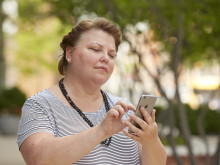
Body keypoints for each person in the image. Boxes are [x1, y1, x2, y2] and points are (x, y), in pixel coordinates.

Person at [17, 17, 167, 165]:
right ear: (69, 53)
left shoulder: (125, 109)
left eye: (111, 55)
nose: (105, 58)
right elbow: (38, 159)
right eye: (96, 49)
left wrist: (151, 140)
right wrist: (100, 131)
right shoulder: (39, 105)